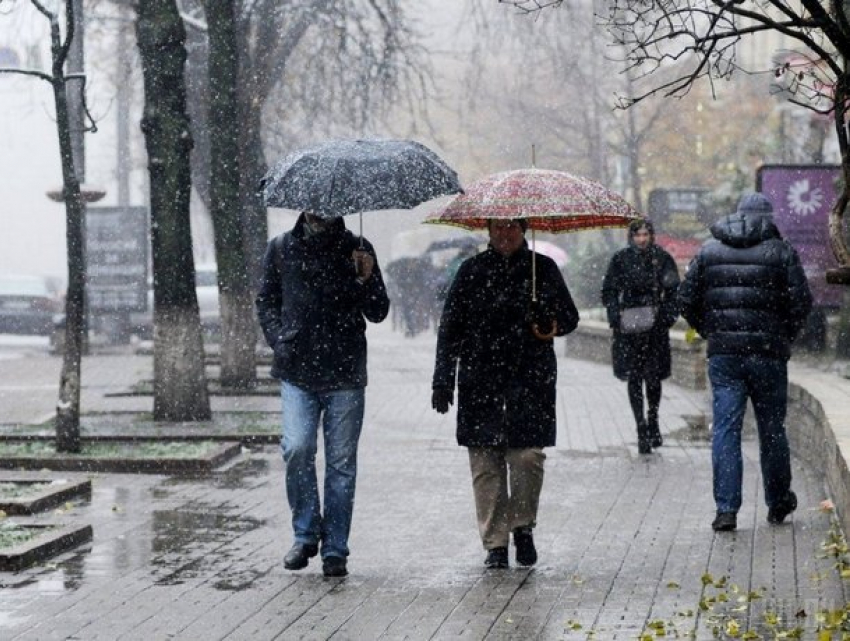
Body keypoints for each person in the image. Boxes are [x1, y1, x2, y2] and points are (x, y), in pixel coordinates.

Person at [431, 219, 579, 569]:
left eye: (512, 227)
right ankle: (495, 543)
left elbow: (569, 318)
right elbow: (449, 328)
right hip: (480, 380)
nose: (505, 235)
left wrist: (547, 313)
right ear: (488, 230)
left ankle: (523, 525)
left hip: (529, 380)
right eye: (498, 228)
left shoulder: (543, 269)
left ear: (524, 229)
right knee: (486, 465)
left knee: (527, 458)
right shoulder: (471, 272)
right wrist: (442, 379)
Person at [255, 211, 390, 577]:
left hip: (344, 371)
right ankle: (305, 533)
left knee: (341, 464)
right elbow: (265, 301)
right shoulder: (281, 248)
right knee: (297, 448)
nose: (320, 208)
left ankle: (335, 549)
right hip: (297, 370)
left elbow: (379, 311)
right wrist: (279, 339)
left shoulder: (358, 248)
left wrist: (365, 278)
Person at [678, 193, 812, 532]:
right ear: (767, 216)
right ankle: (779, 500)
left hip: (724, 357)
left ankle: (726, 509)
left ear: (736, 215)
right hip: (768, 355)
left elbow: (685, 299)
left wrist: (711, 330)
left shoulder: (709, 250)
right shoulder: (781, 252)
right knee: (772, 430)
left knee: (726, 429)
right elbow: (801, 302)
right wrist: (783, 334)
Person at [601, 219, 680, 454]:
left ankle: (653, 416)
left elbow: (674, 290)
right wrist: (616, 316)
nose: (642, 239)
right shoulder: (621, 259)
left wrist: (666, 317)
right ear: (631, 237)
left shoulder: (662, 258)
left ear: (651, 235)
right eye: (638, 235)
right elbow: (609, 291)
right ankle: (640, 426)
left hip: (655, 327)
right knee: (634, 377)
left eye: (646, 234)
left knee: (653, 377)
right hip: (629, 328)